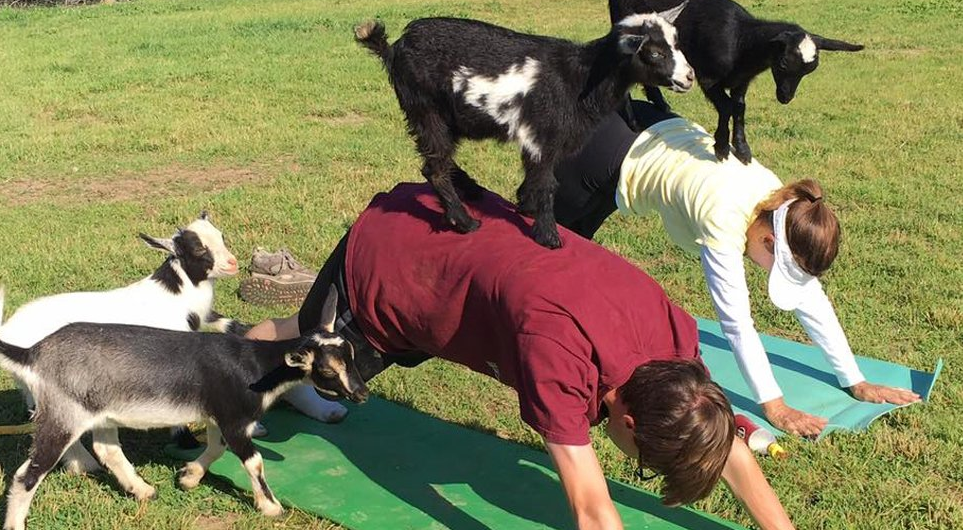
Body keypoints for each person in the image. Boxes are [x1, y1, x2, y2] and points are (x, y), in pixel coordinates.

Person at [247, 183, 795, 530]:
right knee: (303, 350)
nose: (635, 464)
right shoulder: (560, 361)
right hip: (399, 254)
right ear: (628, 422)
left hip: (471, 240)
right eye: (641, 461)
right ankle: (217, 371)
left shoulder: (675, 351)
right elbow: (592, 511)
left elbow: (718, 440)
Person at [552, 100, 920, 436]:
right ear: (770, 244)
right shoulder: (725, 219)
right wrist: (774, 406)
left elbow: (811, 300)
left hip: (649, 123)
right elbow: (737, 323)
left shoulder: (784, 205)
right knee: (549, 251)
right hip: (600, 147)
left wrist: (854, 379)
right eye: (778, 269)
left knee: (569, 254)